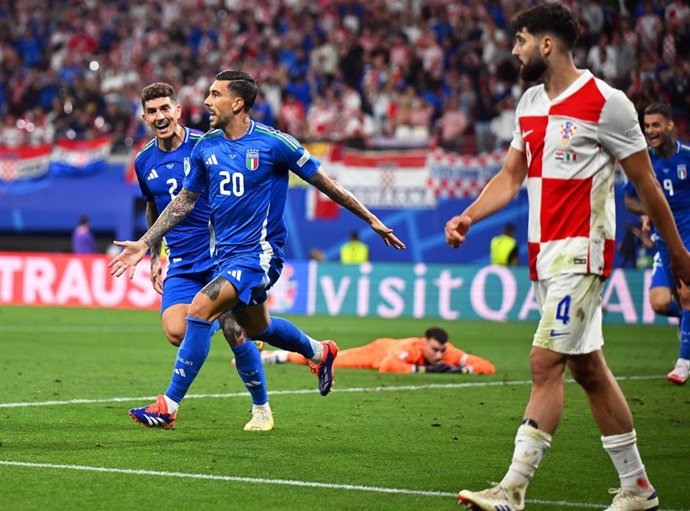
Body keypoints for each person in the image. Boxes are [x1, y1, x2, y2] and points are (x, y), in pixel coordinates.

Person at [445, 5, 690, 511]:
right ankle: (638, 488)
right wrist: (469, 215)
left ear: (547, 44)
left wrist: (679, 254)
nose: (514, 50)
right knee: (589, 371)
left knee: (544, 362)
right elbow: (512, 176)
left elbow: (646, 185)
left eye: (520, 41)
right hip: (543, 257)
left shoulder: (608, 103)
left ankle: (512, 489)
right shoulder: (529, 103)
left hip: (583, 252)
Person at [110, 70, 405, 430]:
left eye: (215, 94)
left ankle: (168, 406)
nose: (206, 101)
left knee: (202, 308)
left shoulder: (274, 143)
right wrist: (145, 244)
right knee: (257, 328)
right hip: (225, 257)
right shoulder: (207, 147)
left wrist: (370, 218)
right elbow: (183, 202)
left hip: (260, 254)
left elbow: (326, 183)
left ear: (237, 102)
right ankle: (319, 351)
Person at [132, 82, 273, 432]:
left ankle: (262, 410)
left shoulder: (207, 145)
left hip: (216, 257)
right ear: (145, 117)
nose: (160, 116)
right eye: (152, 111)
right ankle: (213, 320)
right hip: (180, 262)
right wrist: (154, 254)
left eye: (165, 108)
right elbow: (154, 207)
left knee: (234, 332)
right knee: (176, 332)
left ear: (178, 111)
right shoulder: (143, 160)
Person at [623, 102, 690, 384]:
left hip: (687, 236)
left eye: (656, 125)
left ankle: (683, 364)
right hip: (662, 238)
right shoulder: (643, 161)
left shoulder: (687, 157)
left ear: (670, 125)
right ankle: (687, 320)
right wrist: (648, 210)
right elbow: (629, 199)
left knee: (686, 294)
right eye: (647, 126)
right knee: (660, 302)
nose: (650, 131)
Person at [257, 327, 496, 375]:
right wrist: (428, 369)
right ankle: (275, 356)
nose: (440, 355)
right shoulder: (409, 349)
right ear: (424, 343)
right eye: (434, 349)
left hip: (385, 350)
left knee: (326, 358)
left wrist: (459, 369)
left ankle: (273, 355)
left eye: (442, 350)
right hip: (377, 352)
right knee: (330, 359)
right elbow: (388, 366)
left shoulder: (447, 353)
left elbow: (487, 366)